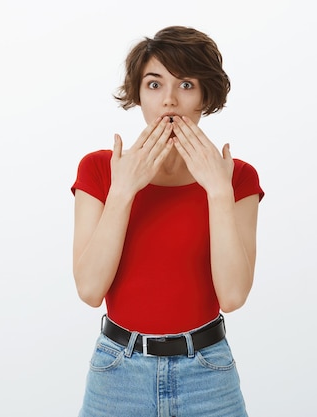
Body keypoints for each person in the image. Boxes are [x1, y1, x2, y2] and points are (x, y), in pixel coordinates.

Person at [71, 26, 264, 417]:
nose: (170, 101)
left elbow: (233, 296)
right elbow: (90, 290)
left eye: (186, 84)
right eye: (154, 84)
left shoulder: (237, 178)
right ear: (138, 95)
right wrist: (123, 191)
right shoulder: (99, 170)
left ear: (206, 96)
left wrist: (218, 193)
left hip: (208, 373)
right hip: (117, 373)